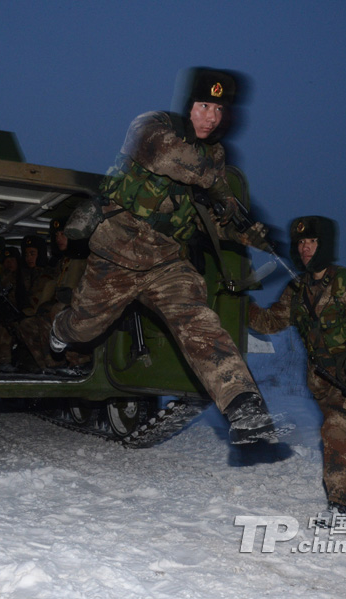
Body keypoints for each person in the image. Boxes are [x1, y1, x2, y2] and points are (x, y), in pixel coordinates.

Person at [50, 67, 276, 443]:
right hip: (116, 252)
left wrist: (247, 231)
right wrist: (219, 188)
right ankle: (60, 328)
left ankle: (243, 405)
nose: (210, 117)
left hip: (167, 261)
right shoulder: (151, 126)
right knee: (84, 328)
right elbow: (170, 158)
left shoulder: (215, 154)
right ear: (189, 105)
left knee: (199, 321)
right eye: (204, 106)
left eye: (219, 110)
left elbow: (208, 219)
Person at [244, 216, 346, 521]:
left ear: (325, 245)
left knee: (335, 426)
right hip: (321, 379)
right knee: (340, 427)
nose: (305, 248)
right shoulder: (297, 289)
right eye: (301, 243)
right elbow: (270, 322)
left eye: (312, 242)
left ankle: (342, 504)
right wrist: (239, 302)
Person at [18, 218, 91, 371]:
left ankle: (77, 363)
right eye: (56, 235)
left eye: (63, 234)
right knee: (27, 324)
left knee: (50, 318)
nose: (59, 239)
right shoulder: (63, 261)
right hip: (63, 307)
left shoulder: (83, 260)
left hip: (81, 310)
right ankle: (47, 366)